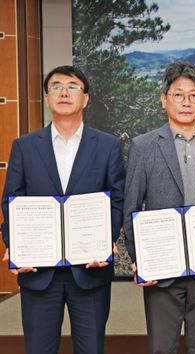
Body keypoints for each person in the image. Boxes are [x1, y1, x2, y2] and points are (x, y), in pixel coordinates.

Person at [1, 65, 125, 354]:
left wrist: (106, 240)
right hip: (39, 272)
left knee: (91, 349)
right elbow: (12, 201)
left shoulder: (108, 146)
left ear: (86, 99)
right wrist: (15, 246)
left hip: (90, 271)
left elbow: (117, 199)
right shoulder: (24, 146)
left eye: (73, 86)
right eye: (56, 86)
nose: (64, 92)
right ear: (47, 98)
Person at [123, 61, 195, 354]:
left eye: (193, 95)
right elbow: (131, 207)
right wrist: (140, 259)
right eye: (178, 94)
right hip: (161, 271)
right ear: (164, 99)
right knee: (162, 348)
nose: (186, 102)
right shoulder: (144, 146)